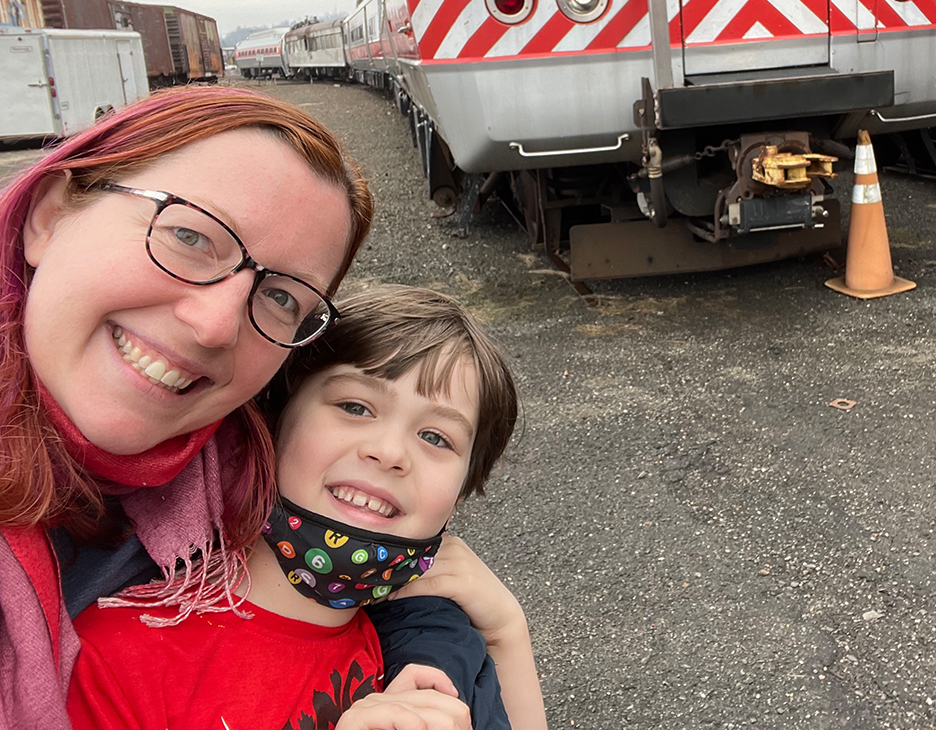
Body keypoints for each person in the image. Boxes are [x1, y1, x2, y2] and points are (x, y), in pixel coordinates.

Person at [0, 85, 398, 730]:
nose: (216, 325)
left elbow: (378, 598)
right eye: (189, 235)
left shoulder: (248, 475)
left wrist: (466, 635)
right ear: (49, 215)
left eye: (281, 298)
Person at [65, 285, 546, 730]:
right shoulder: (122, 658)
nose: (390, 453)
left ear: (463, 490)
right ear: (273, 417)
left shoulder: (444, 658)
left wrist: (507, 633)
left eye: (436, 437)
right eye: (355, 407)